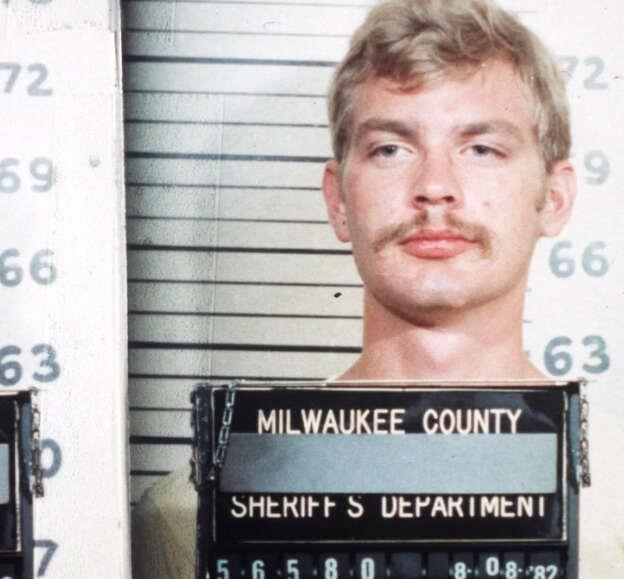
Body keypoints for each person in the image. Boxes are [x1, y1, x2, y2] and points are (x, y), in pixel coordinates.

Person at [132, 0, 578, 576]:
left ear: (556, 197)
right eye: (391, 149)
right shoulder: (186, 514)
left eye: (481, 148)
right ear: (338, 201)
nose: (435, 187)